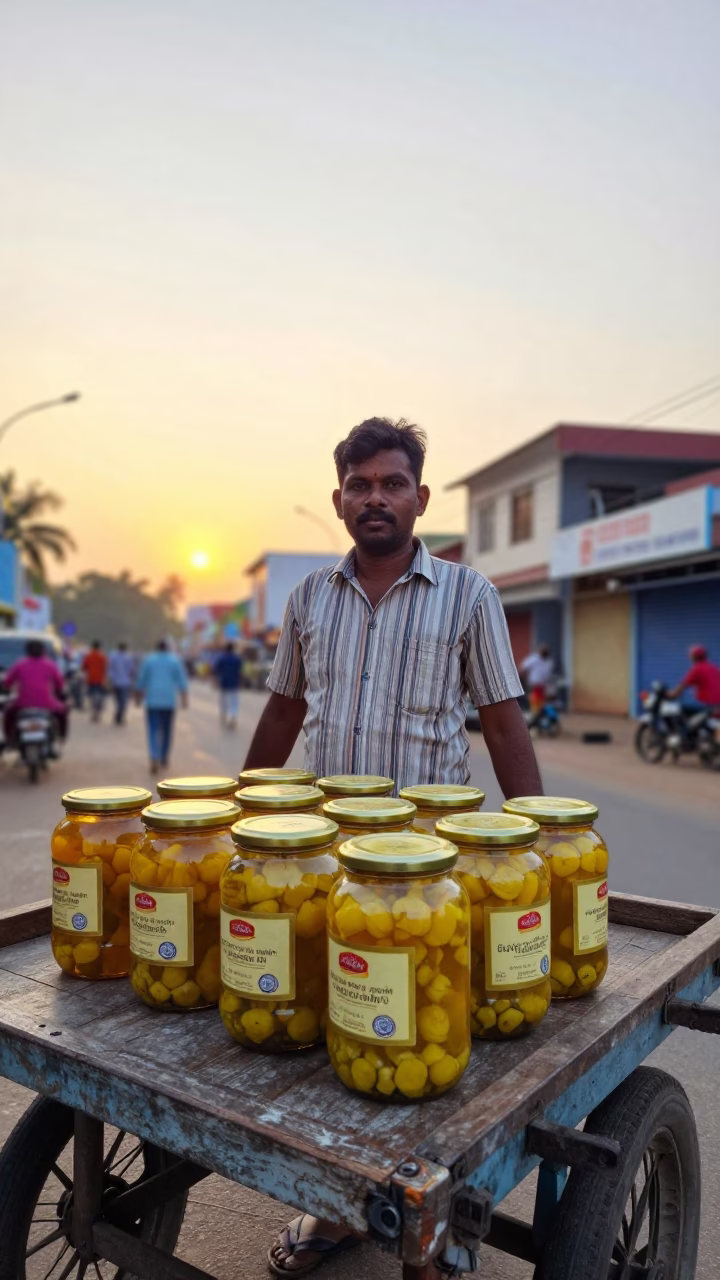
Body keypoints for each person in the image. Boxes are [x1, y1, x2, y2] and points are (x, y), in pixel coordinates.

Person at [242, 417, 543, 1276]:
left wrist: (543, 851)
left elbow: (499, 718)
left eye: (392, 483)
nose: (375, 498)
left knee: (429, 1042)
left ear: (419, 496)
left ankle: (432, 1234)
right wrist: (240, 813)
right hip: (325, 864)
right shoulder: (308, 600)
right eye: (360, 485)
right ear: (338, 499)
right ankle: (337, 1212)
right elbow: (284, 711)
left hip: (431, 874)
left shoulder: (467, 594)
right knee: (337, 1044)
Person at [2, 638, 68, 751]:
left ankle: (9, 739)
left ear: (27, 651)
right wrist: (60, 694)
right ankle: (61, 736)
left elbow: (7, 682)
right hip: (47, 703)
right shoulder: (50, 665)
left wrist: (5, 690)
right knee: (63, 711)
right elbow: (59, 684)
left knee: (8, 713)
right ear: (43, 651)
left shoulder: (19, 664)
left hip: (21, 703)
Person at [135, 639, 189, 773]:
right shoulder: (174, 661)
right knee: (167, 730)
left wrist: (138, 696)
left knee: (153, 730)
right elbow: (182, 681)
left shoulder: (149, 660)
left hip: (153, 701)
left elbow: (141, 679)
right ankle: (163, 757)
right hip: (168, 701)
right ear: (167, 648)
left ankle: (154, 756)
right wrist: (184, 698)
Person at [668, 645, 720, 709]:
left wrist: (666, 694)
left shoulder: (697, 669)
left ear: (693, 657)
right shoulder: (715, 667)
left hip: (706, 708)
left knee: (677, 711)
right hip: (716, 708)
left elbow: (676, 692)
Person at [213, 642, 243, 728]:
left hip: (224, 683)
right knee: (234, 702)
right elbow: (240, 672)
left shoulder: (221, 658)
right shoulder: (237, 659)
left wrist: (215, 682)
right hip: (234, 683)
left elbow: (216, 671)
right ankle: (233, 717)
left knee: (223, 701)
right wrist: (240, 682)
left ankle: (224, 715)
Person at [520, 644, 554, 717]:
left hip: (541, 684)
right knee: (535, 698)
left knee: (540, 699)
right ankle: (535, 712)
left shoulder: (547, 662)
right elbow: (524, 666)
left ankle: (538, 713)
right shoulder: (535, 659)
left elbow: (547, 675)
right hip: (534, 683)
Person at [107, 641, 136, 726]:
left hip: (115, 682)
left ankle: (118, 715)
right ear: (126, 648)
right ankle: (119, 716)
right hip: (125, 683)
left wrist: (109, 680)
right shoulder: (128, 657)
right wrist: (134, 678)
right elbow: (132, 670)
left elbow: (110, 669)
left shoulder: (113, 656)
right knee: (123, 701)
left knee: (117, 701)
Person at [82, 640, 107, 722]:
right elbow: (105, 668)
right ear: (99, 647)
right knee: (99, 696)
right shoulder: (102, 656)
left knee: (92, 696)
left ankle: (94, 712)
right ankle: (98, 712)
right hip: (100, 679)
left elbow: (84, 667)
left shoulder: (88, 656)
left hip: (90, 679)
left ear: (92, 647)